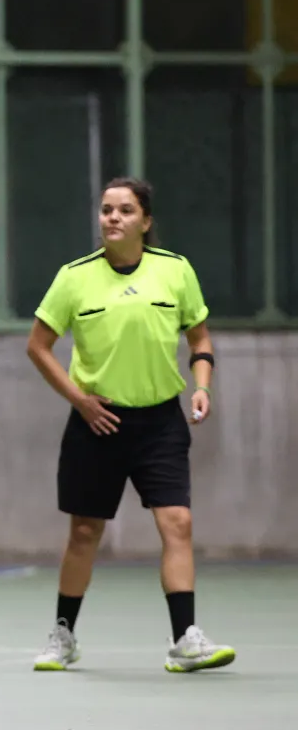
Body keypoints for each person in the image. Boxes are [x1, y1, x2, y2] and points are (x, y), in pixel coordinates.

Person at [25, 177, 233, 673]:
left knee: (177, 522)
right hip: (97, 423)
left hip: (160, 422)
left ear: (145, 221)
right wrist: (80, 400)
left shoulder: (175, 270)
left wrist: (202, 386)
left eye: (124, 210)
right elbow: (38, 346)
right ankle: (63, 635)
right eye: (106, 210)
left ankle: (185, 640)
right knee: (84, 531)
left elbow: (200, 338)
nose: (112, 218)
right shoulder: (74, 277)